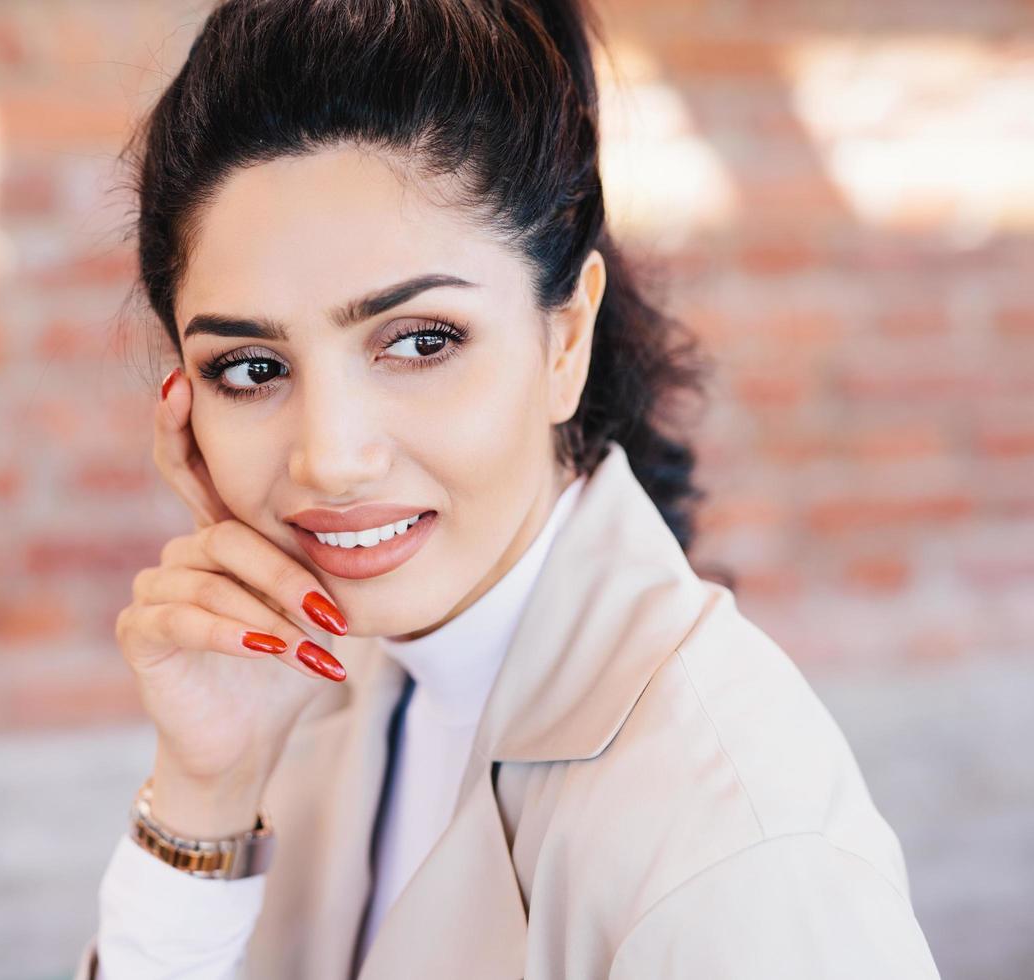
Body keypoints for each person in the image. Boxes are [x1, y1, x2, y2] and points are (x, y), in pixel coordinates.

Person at [74, 0, 943, 976]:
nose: (330, 457)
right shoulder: (326, 683)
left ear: (564, 339)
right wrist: (207, 787)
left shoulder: (735, 838)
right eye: (251, 367)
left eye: (419, 341)